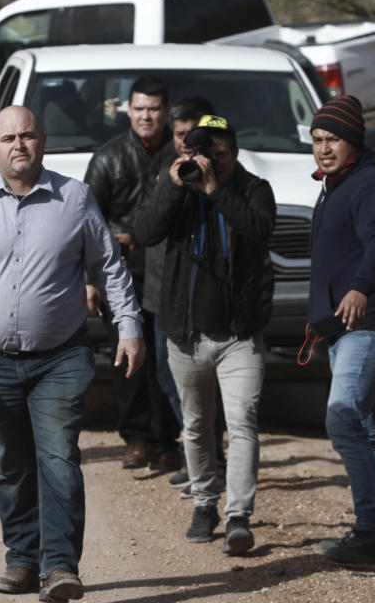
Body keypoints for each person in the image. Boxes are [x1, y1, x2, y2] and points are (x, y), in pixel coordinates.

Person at [0, 106, 144, 602]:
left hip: (60, 356)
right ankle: (21, 559)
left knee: (58, 457)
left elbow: (110, 268)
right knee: (10, 461)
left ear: (43, 142)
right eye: (8, 137)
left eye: (28, 135)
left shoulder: (74, 198)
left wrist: (129, 326)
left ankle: (59, 566)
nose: (20, 145)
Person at [134, 114, 274, 555]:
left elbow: (259, 230)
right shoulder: (178, 184)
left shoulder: (254, 190)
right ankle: (204, 503)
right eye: (205, 155)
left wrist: (215, 192)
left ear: (234, 152)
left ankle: (238, 515)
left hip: (239, 335)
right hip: (187, 334)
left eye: (221, 154)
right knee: (195, 426)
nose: (213, 163)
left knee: (242, 423)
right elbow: (146, 232)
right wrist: (175, 187)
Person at [306, 95, 375, 565]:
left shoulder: (369, 184)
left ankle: (371, 531)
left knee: (343, 414)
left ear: (355, 142)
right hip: (342, 325)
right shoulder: (335, 183)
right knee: (363, 425)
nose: (324, 148)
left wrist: (362, 287)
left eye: (334, 140)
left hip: (370, 320)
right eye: (318, 139)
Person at [84, 74, 181, 472]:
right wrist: (90, 279)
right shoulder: (108, 158)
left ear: (167, 111)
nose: (146, 116)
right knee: (129, 357)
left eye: (154, 109)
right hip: (121, 277)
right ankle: (137, 437)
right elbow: (88, 222)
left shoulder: (181, 153)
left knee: (168, 360)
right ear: (128, 110)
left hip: (172, 275)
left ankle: (168, 440)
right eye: (139, 108)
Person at [140, 96, 223, 492]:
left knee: (209, 381)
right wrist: (173, 186)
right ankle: (200, 459)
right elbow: (147, 228)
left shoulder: (224, 172)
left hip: (209, 296)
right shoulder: (163, 169)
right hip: (164, 295)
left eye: (195, 135)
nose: (187, 143)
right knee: (169, 377)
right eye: (179, 135)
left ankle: (213, 461)